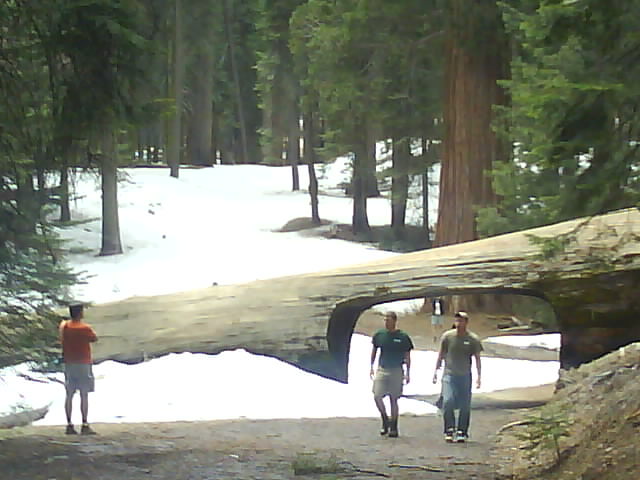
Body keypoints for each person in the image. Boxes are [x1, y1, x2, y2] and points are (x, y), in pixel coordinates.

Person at [432, 311, 482, 443]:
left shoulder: (472, 339)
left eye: (462, 321)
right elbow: (441, 354)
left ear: (466, 322)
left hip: (465, 375)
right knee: (448, 401)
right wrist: (436, 371)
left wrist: (479, 376)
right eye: (457, 321)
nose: (459, 323)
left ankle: (462, 431)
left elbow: (477, 358)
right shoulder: (448, 337)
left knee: (465, 405)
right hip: (449, 375)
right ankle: (449, 429)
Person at [369, 311, 413, 438]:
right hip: (382, 368)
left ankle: (393, 425)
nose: (387, 322)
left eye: (389, 320)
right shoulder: (380, 335)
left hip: (396, 370)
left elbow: (407, 355)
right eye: (385, 320)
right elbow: (374, 350)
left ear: (394, 321)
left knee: (394, 399)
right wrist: (371, 366)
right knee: (377, 396)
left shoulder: (403, 337)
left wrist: (408, 373)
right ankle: (384, 419)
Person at [59, 303, 98, 435]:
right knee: (84, 394)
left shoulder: (65, 327)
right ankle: (84, 424)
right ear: (80, 313)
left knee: (69, 394)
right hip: (83, 363)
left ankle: (69, 424)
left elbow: (61, 337)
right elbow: (94, 338)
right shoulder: (85, 328)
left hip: (69, 363)